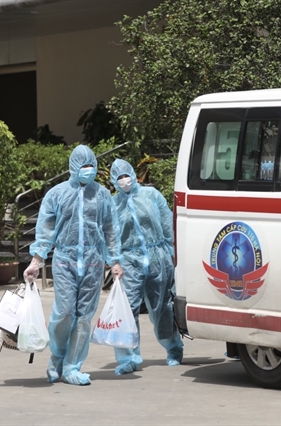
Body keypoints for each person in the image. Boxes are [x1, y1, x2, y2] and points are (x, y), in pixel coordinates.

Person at [24, 145, 123, 386]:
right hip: (65, 259)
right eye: (83, 166)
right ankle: (57, 356)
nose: (87, 171)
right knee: (64, 311)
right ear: (73, 168)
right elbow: (45, 229)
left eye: (91, 166)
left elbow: (111, 228)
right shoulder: (57, 194)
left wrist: (115, 260)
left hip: (93, 261)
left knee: (83, 317)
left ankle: (72, 366)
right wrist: (37, 260)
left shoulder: (101, 195)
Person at [109, 159, 184, 375]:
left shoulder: (151, 196)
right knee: (128, 309)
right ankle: (127, 357)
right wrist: (114, 261)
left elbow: (167, 223)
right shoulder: (113, 205)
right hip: (128, 262)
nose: (124, 180)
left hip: (157, 258)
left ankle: (173, 348)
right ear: (114, 181)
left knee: (162, 307)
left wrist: (173, 253)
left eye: (126, 175)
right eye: (119, 177)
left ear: (133, 174)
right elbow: (110, 236)